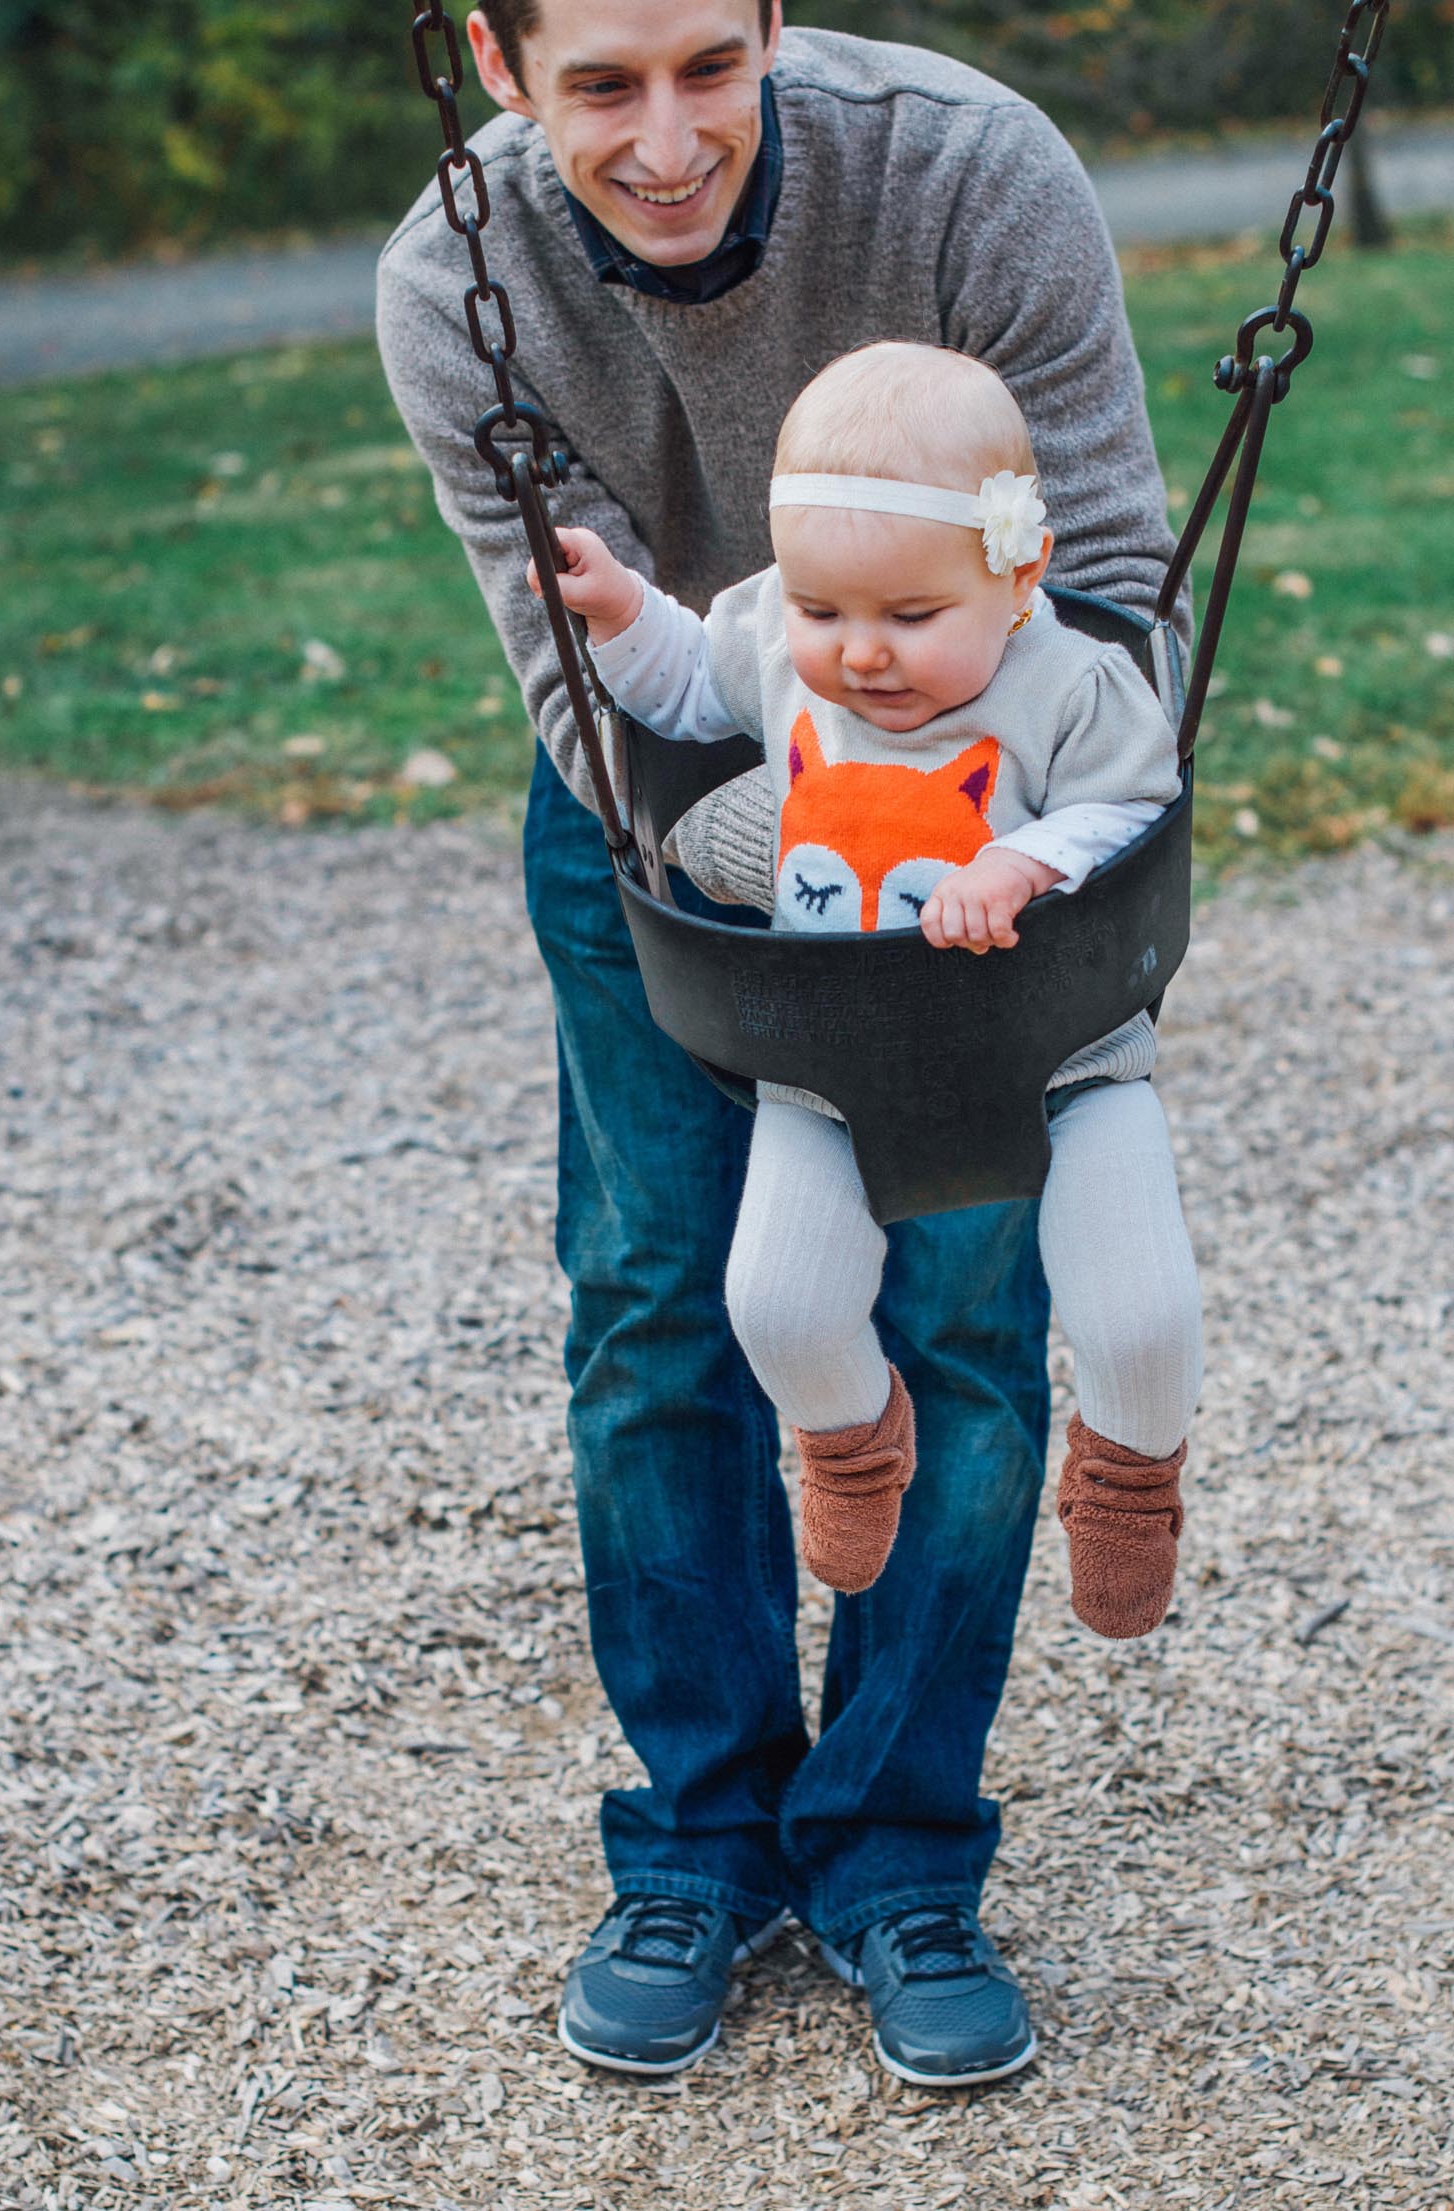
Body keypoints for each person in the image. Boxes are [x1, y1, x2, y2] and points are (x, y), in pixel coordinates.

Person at [376, 0, 1186, 2088]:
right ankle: (701, 1839)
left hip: (1003, 794)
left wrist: (998, 830)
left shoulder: (966, 172)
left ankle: (898, 1849)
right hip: (671, 804)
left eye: (707, 70)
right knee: (663, 1299)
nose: (665, 144)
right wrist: (794, 847)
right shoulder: (451, 281)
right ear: (494, 59)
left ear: (765, 25)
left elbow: (1104, 572)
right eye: (601, 88)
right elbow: (588, 673)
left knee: (971, 1301)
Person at [538, 342, 1203, 1627]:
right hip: (831, 1058)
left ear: (1020, 579)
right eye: (824, 612)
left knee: (1142, 1311)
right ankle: (853, 1436)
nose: (861, 655)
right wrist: (624, 617)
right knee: (775, 1301)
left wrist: (1023, 857)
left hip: (1061, 1053)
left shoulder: (1068, 683)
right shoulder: (789, 652)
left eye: (909, 618)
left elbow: (1138, 805)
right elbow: (684, 689)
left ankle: (1128, 1477)